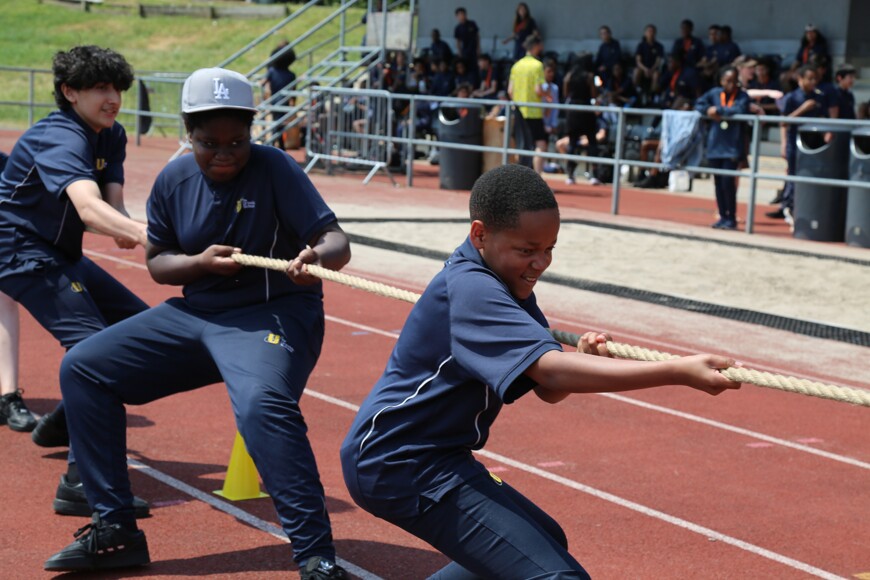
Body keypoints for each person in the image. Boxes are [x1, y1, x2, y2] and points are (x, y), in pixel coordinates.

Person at [339, 164, 741, 580]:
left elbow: (547, 387)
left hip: (434, 456)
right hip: (400, 461)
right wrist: (677, 371)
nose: (541, 263)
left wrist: (584, 358)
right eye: (527, 250)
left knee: (547, 541)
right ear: (480, 235)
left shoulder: (507, 282)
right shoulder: (473, 288)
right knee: (556, 575)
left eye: (550, 249)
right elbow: (552, 374)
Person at [43, 67, 352, 578]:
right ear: (189, 132)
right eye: (210, 143)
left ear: (252, 132)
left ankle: (316, 556)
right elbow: (159, 263)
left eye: (237, 142)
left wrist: (317, 257)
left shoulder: (275, 168)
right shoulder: (174, 179)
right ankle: (115, 528)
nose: (225, 154)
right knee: (83, 367)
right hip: (198, 313)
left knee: (262, 405)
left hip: (272, 313)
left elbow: (337, 241)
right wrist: (200, 264)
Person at [0, 45, 151, 515]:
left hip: (60, 253)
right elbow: (88, 208)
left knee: (144, 332)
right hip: (19, 251)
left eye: (118, 89)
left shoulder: (111, 134)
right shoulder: (61, 136)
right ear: (70, 92)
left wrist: (134, 230)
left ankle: (65, 421)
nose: (114, 99)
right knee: (97, 353)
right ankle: (82, 483)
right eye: (100, 89)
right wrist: (149, 237)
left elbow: (112, 208)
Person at [767, 65, 829, 223]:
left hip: (813, 143)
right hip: (794, 143)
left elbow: (823, 118)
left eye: (815, 79)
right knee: (793, 175)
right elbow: (783, 122)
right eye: (809, 78)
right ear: (800, 79)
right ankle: (787, 206)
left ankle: (804, 207)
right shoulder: (791, 97)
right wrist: (803, 109)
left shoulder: (819, 97)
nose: (813, 82)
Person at [696, 66, 751, 229]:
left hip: (732, 146)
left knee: (728, 182)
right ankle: (722, 216)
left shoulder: (742, 95)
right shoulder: (714, 93)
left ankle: (731, 217)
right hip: (715, 145)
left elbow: (740, 109)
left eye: (734, 81)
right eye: (728, 81)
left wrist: (718, 110)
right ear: (721, 81)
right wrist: (708, 109)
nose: (731, 84)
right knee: (718, 183)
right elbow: (699, 104)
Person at [508, 35, 548, 174]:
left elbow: (510, 91)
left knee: (522, 144)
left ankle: (520, 176)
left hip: (519, 110)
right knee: (540, 143)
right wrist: (547, 95)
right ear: (535, 46)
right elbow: (538, 90)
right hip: (533, 111)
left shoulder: (516, 65)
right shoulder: (537, 65)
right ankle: (538, 178)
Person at [562, 62, 600, 185]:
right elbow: (594, 94)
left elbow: (565, 93)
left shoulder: (570, 75)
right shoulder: (589, 76)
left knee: (572, 143)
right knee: (592, 143)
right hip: (586, 110)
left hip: (573, 111)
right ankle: (594, 175)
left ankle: (570, 175)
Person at [262, 41, 297, 150]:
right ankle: (278, 145)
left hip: (275, 101)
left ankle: (275, 145)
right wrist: (293, 103)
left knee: (276, 124)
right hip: (284, 102)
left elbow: (263, 82)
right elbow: (293, 93)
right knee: (279, 124)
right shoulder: (291, 75)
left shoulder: (272, 71)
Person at [633, 24, 665, 100]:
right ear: (645, 33)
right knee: (636, 71)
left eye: (652, 31)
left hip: (653, 69)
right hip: (643, 68)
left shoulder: (659, 46)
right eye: (649, 31)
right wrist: (645, 69)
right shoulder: (641, 45)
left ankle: (651, 95)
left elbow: (658, 61)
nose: (651, 33)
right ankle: (636, 91)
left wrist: (652, 69)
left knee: (656, 75)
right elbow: (638, 61)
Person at [454, 7, 480, 73]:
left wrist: (478, 48)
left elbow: (477, 36)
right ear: (457, 16)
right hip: (465, 51)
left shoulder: (472, 24)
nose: (462, 16)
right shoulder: (458, 28)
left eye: (463, 14)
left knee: (474, 67)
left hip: (473, 50)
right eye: (460, 14)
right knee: (466, 67)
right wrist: (459, 52)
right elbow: (458, 41)